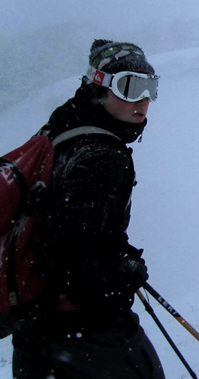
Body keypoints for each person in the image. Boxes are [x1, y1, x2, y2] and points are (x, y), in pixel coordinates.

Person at [11, 40, 165, 379]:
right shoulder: (102, 156)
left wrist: (117, 254)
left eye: (150, 88)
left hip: (36, 329)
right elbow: (62, 256)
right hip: (84, 333)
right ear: (100, 85)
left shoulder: (63, 128)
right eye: (130, 86)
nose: (143, 102)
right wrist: (120, 280)